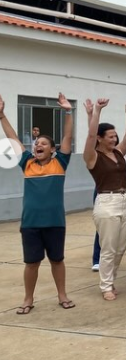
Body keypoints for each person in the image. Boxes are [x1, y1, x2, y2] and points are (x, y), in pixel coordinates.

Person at [1, 93, 75, 314]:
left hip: (55, 223)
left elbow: (68, 137)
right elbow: (13, 139)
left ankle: (62, 295)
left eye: (44, 143)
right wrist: (2, 115)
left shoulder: (60, 162)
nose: (38, 145)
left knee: (57, 260)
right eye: (36, 143)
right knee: (31, 263)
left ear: (53, 149)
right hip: (31, 224)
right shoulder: (27, 163)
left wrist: (68, 111)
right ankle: (28, 299)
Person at [84, 97, 126, 301]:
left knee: (120, 249)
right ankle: (106, 286)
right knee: (109, 248)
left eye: (115, 136)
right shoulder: (92, 157)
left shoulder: (119, 152)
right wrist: (97, 111)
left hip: (125, 201)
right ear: (100, 138)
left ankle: (110, 280)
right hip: (106, 202)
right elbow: (90, 134)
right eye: (110, 136)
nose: (114, 139)